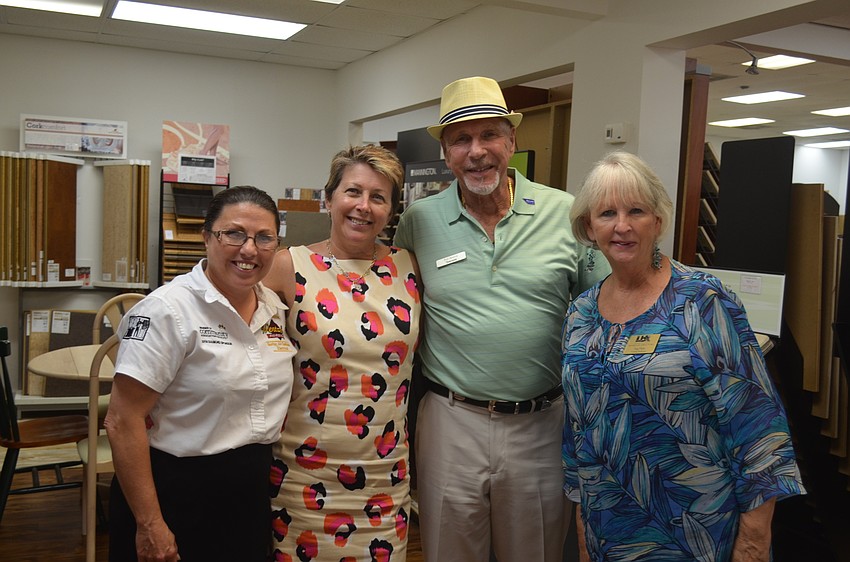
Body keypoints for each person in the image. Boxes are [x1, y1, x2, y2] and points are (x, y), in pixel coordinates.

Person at [393, 76, 608, 562]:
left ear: (511, 140)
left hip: (541, 423)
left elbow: (604, 309)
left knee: (535, 551)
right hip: (451, 421)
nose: (477, 152)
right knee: (449, 550)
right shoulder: (418, 221)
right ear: (446, 153)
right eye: (461, 139)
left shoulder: (566, 213)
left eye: (489, 134)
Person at [561, 151, 806, 562]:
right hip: (610, 530)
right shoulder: (581, 313)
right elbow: (578, 434)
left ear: (657, 221)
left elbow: (758, 424)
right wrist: (584, 534)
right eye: (607, 213)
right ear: (589, 226)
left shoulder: (702, 301)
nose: (622, 226)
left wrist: (752, 543)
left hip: (697, 531)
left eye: (636, 211)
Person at [104, 186, 296, 562]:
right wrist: (150, 524)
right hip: (174, 493)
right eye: (234, 234)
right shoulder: (167, 310)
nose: (249, 249)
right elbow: (122, 420)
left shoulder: (273, 308)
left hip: (249, 493)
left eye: (264, 237)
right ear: (207, 237)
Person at [264, 145, 420, 561]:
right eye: (353, 191)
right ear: (329, 198)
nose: (363, 206)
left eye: (378, 197)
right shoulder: (287, 267)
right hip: (303, 472)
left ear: (391, 210)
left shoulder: (410, 267)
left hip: (385, 474)